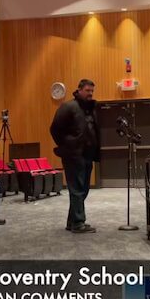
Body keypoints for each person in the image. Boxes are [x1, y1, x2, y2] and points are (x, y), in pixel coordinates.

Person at [50, 79, 100, 233]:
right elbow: (54, 129)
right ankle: (78, 223)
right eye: (87, 91)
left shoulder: (90, 109)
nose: (90, 94)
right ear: (79, 90)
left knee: (83, 189)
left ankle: (72, 221)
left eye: (92, 91)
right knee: (77, 189)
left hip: (87, 155)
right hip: (73, 155)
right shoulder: (68, 107)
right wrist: (67, 145)